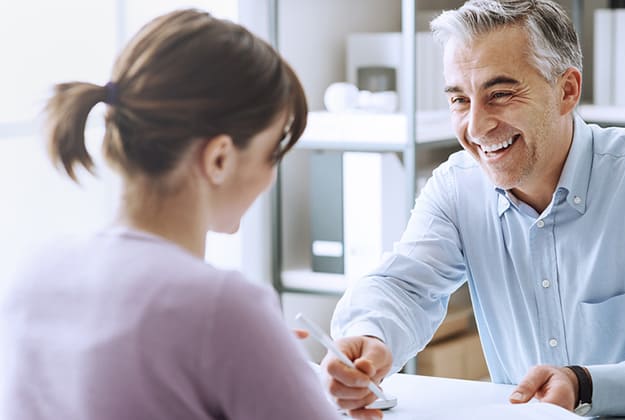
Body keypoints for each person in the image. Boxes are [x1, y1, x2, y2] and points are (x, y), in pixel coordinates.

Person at [323, 0, 625, 418]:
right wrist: (370, 335)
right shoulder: (457, 186)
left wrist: (585, 384)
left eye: (500, 94)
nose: (475, 127)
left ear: (567, 90)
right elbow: (404, 287)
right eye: (459, 100)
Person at [0, 9, 362, 420]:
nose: (271, 175)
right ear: (220, 158)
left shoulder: (33, 273)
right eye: (272, 153)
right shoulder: (223, 308)